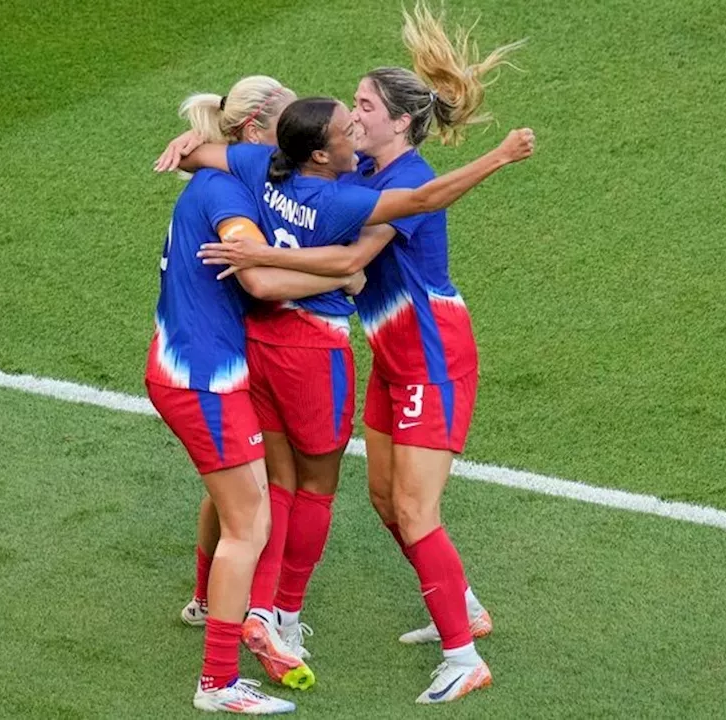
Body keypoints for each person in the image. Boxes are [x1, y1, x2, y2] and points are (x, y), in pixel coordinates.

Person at [190, 1, 525, 704]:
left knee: (413, 508)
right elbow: (289, 172)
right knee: (380, 497)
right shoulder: (362, 174)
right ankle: (462, 607)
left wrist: (257, 258)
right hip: (393, 357)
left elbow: (352, 257)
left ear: (398, 121)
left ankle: (464, 657)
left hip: (433, 355)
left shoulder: (403, 181)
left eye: (365, 106)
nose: (356, 115)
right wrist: (202, 149)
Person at [147, 76, 366, 714]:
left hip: (186, 368)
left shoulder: (224, 179)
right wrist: (343, 269)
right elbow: (264, 281)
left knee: (230, 497)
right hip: (204, 379)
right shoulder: (227, 196)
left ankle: (202, 600)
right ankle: (218, 682)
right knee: (253, 521)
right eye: (286, 125)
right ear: (253, 133)